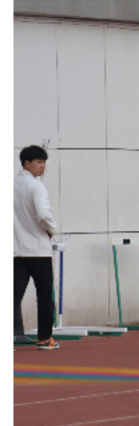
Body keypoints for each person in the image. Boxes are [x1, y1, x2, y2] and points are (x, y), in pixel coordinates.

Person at [15, 145, 59, 350]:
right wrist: (52, 229)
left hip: (16, 250)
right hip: (38, 251)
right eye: (39, 162)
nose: (43, 167)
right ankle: (45, 338)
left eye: (44, 163)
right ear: (27, 163)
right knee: (44, 296)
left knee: (12, 296)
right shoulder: (36, 186)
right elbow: (43, 214)